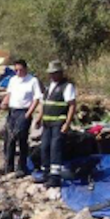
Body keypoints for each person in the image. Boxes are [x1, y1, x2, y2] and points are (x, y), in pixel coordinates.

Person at [35, 60, 77, 188]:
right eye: (50, 74)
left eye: (54, 73)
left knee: (55, 149)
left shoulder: (67, 86)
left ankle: (55, 178)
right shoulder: (49, 87)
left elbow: (72, 105)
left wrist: (67, 123)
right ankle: (45, 174)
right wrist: (39, 118)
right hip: (47, 123)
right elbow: (44, 104)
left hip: (58, 122)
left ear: (60, 73)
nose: (52, 76)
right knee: (45, 148)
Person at [0, 60, 43, 177]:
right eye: (16, 70)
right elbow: (9, 94)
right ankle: (8, 166)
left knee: (21, 138)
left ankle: (21, 167)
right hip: (12, 111)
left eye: (20, 70)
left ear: (25, 69)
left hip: (24, 111)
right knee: (9, 138)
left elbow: (37, 98)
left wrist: (29, 113)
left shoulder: (32, 81)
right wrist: (4, 102)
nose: (18, 72)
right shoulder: (13, 80)